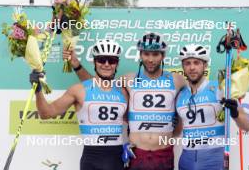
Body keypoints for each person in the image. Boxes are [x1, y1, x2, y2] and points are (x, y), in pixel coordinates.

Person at [63, 32, 186, 170]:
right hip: (136, 154)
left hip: (164, 154)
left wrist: (178, 123)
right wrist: (76, 65)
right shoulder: (128, 79)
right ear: (140, 55)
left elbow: (196, 92)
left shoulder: (177, 80)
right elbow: (96, 85)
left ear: (163, 55)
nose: (150, 59)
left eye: (155, 54)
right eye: (146, 54)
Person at [31, 39, 129, 170]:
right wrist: (37, 90)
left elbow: (131, 122)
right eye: (101, 59)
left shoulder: (122, 91)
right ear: (94, 62)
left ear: (117, 64)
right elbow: (46, 113)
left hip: (117, 160)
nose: (106, 64)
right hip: (92, 159)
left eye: (111, 60)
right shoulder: (78, 90)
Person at [175, 44, 249, 170]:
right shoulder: (180, 95)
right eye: (187, 63)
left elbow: (247, 126)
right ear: (183, 66)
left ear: (205, 65)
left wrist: (235, 113)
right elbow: (176, 131)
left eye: (196, 63)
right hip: (186, 158)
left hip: (213, 157)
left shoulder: (221, 88)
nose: (192, 67)